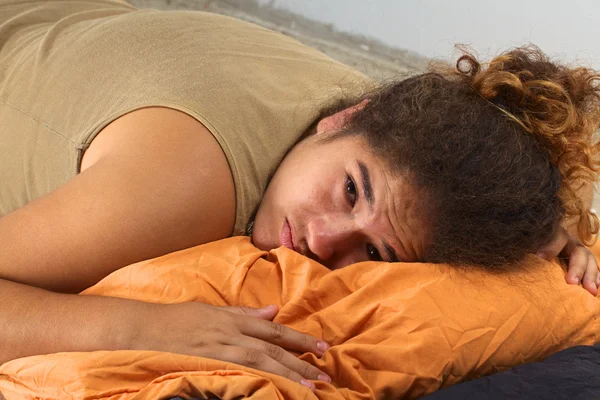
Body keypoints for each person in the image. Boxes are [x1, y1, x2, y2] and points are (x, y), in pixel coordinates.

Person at [0, 0, 599, 391]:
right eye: (348, 190)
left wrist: (548, 229)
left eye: (373, 253)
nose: (323, 240)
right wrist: (135, 328)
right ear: (345, 119)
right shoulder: (178, 190)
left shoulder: (401, 130)